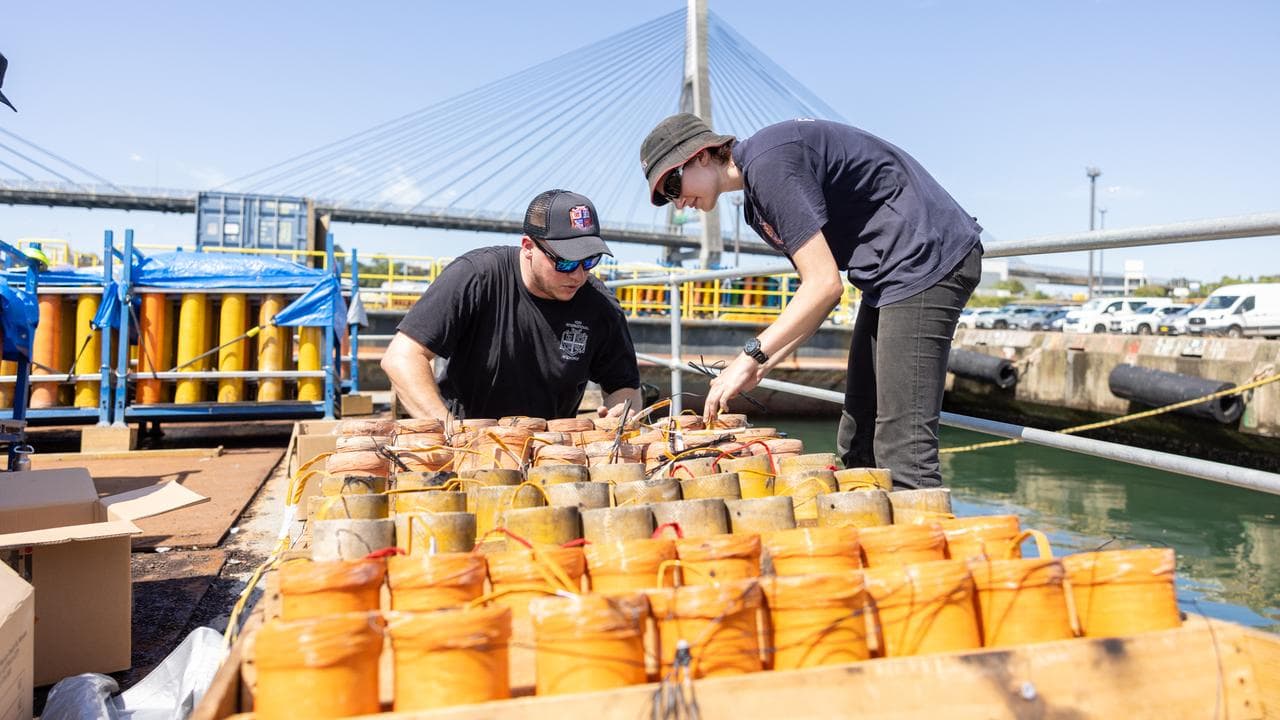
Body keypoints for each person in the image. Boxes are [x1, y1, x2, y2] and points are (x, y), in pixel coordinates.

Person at [640, 114, 982, 489]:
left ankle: (919, 542)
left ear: (702, 155)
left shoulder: (769, 164)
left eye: (673, 181)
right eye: (665, 196)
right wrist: (763, 365)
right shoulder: (757, 199)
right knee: (857, 441)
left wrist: (749, 356)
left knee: (904, 452)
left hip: (927, 259)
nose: (677, 202)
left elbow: (823, 285)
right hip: (888, 274)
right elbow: (819, 297)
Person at [382, 189, 643, 422]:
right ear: (528, 246)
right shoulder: (476, 276)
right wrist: (448, 432)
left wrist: (622, 410)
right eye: (565, 262)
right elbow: (402, 357)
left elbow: (626, 388)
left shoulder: (600, 305)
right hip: (469, 435)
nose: (578, 274)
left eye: (589, 261)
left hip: (551, 451)